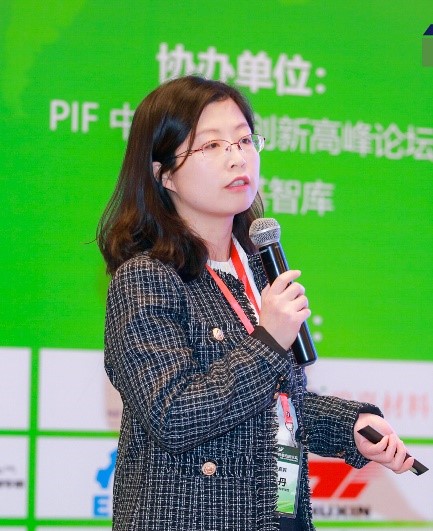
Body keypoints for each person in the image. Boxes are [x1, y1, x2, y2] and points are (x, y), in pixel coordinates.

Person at [97, 75, 414, 531]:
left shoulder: (258, 269)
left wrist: (350, 427)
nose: (237, 157)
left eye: (245, 140)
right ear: (163, 174)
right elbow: (173, 416)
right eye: (211, 146)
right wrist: (268, 340)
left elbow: (274, 404)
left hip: (276, 515)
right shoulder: (146, 279)